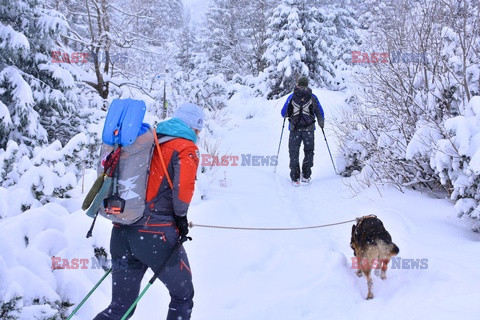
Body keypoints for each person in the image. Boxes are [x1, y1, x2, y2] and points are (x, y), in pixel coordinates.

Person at [94, 103, 204, 320]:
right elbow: (183, 193)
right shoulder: (185, 147)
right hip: (155, 235)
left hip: (121, 231)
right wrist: (181, 218)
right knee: (183, 296)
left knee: (121, 306)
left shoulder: (146, 141)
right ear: (196, 129)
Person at [281, 76, 325, 186]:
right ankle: (306, 176)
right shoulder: (313, 97)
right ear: (307, 84)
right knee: (309, 152)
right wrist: (321, 123)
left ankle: (295, 178)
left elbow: (283, 113)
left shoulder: (291, 97)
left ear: (298, 84)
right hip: (309, 130)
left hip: (294, 130)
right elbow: (320, 112)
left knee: (294, 153)